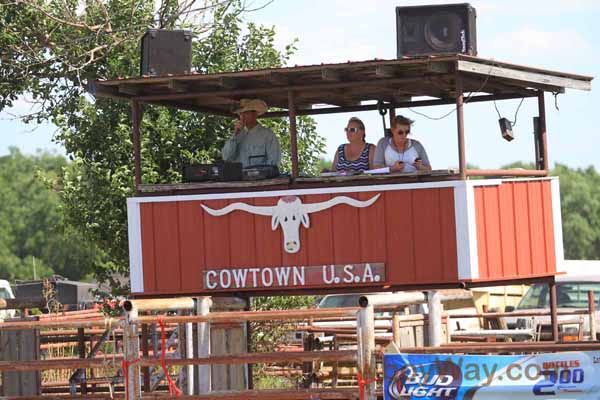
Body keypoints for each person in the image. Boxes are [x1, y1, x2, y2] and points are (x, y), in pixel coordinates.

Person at [222, 98, 281, 167]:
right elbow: (226, 157)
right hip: (238, 176)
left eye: (246, 113)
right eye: (240, 113)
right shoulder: (237, 135)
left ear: (255, 114)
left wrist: (262, 174)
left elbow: (274, 161)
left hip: (261, 177)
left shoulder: (267, 135)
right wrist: (235, 134)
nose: (242, 116)